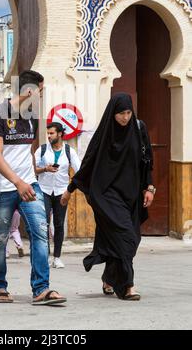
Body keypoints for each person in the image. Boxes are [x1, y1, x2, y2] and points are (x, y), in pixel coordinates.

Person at [61, 93, 155, 301]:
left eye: (129, 113)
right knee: (126, 236)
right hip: (106, 194)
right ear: (112, 113)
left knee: (128, 238)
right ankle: (128, 286)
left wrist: (149, 187)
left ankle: (109, 277)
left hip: (131, 195)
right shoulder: (105, 134)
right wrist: (70, 189)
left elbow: (147, 159)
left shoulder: (139, 129)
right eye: (121, 113)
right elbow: (88, 163)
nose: (125, 117)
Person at [0, 70, 66, 305]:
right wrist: (17, 182)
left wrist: (32, 176)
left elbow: (27, 151)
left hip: (29, 185)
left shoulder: (32, 115)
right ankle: (0, 287)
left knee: (40, 232)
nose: (42, 95)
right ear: (30, 91)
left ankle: (41, 288)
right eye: (41, 91)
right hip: (1, 188)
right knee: (0, 239)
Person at [35, 122, 81, 269]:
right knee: (45, 224)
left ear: (60, 134)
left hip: (62, 191)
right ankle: (46, 256)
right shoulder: (41, 150)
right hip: (44, 190)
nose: (48, 136)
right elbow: (33, 170)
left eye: (51, 133)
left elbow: (79, 170)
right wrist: (45, 169)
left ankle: (57, 257)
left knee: (59, 224)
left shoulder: (69, 151)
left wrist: (71, 189)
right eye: (47, 133)